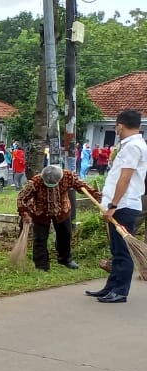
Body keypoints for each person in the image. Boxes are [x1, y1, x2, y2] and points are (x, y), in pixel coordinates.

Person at [87, 110, 147, 303]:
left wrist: (113, 205)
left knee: (122, 251)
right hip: (120, 205)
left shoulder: (133, 147)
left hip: (124, 206)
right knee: (116, 250)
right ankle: (110, 288)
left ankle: (120, 291)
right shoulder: (131, 145)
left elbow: (126, 177)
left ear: (121, 125)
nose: (116, 129)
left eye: (116, 126)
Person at [18, 165, 97, 271]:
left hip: (62, 210)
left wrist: (94, 193)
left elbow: (82, 186)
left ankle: (65, 259)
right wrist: (24, 213)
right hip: (40, 212)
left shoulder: (68, 176)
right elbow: (22, 198)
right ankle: (42, 265)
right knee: (40, 239)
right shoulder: (35, 181)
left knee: (65, 235)